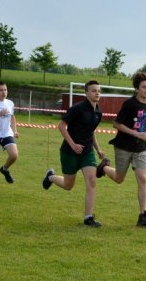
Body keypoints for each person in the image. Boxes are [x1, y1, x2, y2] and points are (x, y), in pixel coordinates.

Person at [96, 71, 146, 227]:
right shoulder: (129, 104)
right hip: (124, 146)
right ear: (136, 89)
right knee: (119, 178)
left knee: (142, 178)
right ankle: (104, 167)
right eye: (144, 87)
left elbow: (143, 124)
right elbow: (116, 124)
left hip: (140, 147)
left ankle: (143, 215)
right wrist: (136, 133)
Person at [42, 80, 105, 227]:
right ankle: (50, 177)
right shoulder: (77, 108)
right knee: (68, 185)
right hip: (69, 151)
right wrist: (73, 144)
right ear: (86, 93)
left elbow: (91, 132)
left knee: (92, 181)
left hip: (87, 152)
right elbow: (61, 126)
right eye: (94, 90)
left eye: (99, 91)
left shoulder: (98, 112)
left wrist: (98, 149)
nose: (97, 93)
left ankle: (88, 217)